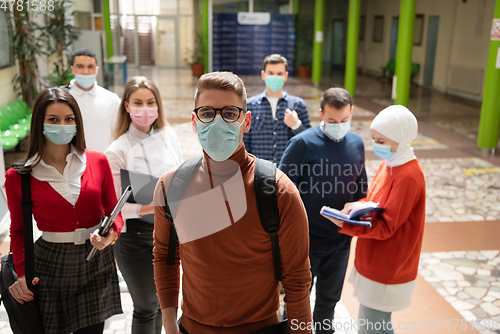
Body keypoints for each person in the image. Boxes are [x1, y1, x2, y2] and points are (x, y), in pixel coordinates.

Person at [153, 71, 312, 333]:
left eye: (229, 113)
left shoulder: (278, 191)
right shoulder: (171, 186)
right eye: (207, 113)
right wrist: (169, 324)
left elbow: (297, 279)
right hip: (192, 328)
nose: (217, 122)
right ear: (194, 121)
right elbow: (166, 257)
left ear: (246, 121)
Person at [5, 87, 124, 334]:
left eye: (69, 119)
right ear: (40, 124)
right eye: (53, 120)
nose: (63, 125)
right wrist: (22, 272)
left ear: (77, 123)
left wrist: (109, 235)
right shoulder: (19, 177)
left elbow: (115, 213)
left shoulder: (97, 161)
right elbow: (17, 230)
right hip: (50, 263)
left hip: (95, 261)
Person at [322, 105, 426, 334]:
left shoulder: (408, 175)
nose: (376, 146)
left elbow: (387, 226)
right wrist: (354, 207)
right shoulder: (390, 163)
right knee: (369, 323)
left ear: (401, 138)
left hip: (388, 263)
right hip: (373, 257)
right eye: (375, 139)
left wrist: (347, 225)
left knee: (373, 326)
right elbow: (375, 200)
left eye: (381, 141)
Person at [279, 87, 367, 334]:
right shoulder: (302, 143)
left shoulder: (357, 143)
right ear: (321, 114)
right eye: (332, 121)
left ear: (351, 113)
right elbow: (282, 189)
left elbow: (361, 188)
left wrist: (357, 208)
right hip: (307, 241)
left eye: (344, 120)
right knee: (297, 301)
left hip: (340, 241)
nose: (339, 125)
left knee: (329, 301)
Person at [105, 76, 183, 334]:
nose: (145, 108)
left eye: (151, 102)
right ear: (126, 106)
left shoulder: (169, 136)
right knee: (146, 306)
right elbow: (117, 206)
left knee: (164, 304)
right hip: (134, 238)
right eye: (138, 102)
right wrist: (163, 203)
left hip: (167, 234)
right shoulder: (118, 150)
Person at [243, 54, 311, 164]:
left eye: (279, 74)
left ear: (286, 76)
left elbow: (309, 142)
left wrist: (296, 125)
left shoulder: (298, 105)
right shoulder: (250, 105)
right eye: (271, 73)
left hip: (289, 172)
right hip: (259, 171)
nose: (275, 77)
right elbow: (244, 142)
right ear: (263, 75)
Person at [68, 48, 121, 152]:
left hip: (104, 161)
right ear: (72, 70)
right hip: (71, 163)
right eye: (80, 67)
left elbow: (118, 135)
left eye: (90, 67)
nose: (85, 72)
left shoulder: (112, 99)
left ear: (97, 70)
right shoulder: (63, 99)